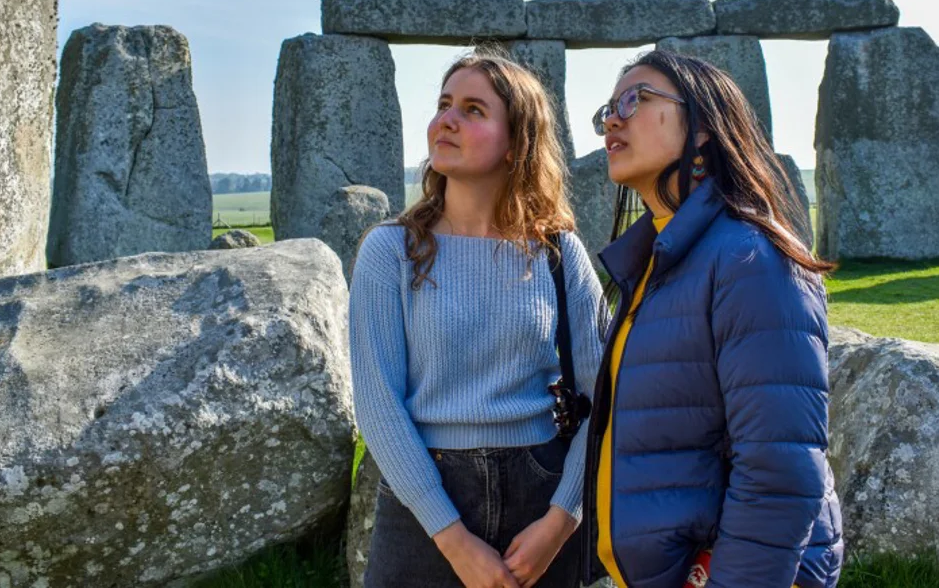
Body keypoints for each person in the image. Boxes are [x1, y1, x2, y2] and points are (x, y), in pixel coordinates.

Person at [582, 50, 843, 588]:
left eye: (636, 99)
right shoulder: (661, 257)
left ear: (702, 128)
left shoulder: (751, 259)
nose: (613, 118)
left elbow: (781, 472)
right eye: (609, 107)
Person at [350, 54, 604, 588]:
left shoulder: (560, 254)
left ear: (516, 142)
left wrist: (562, 520)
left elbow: (604, 401)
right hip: (424, 497)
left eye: (472, 110)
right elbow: (377, 404)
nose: (447, 120)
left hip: (543, 493)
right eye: (444, 105)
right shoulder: (388, 252)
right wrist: (453, 539)